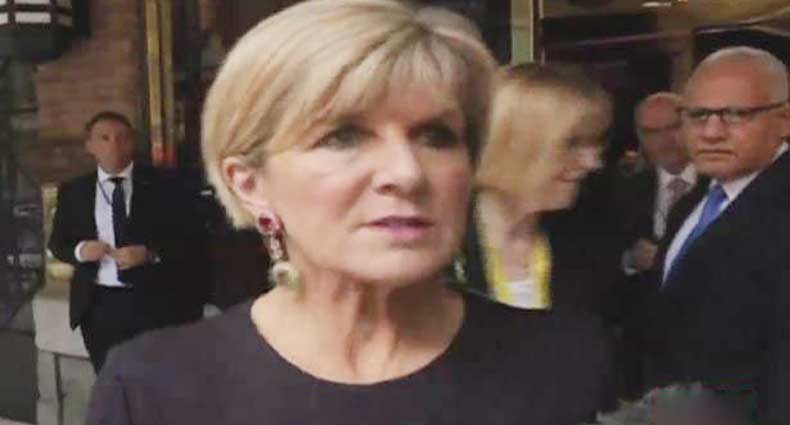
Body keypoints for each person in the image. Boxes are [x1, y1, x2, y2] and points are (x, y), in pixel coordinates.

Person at [86, 2, 613, 424]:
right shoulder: (152, 389)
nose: (406, 172)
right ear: (250, 184)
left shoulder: (563, 361)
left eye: (436, 136)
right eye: (343, 137)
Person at [637, 46, 790, 425]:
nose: (712, 132)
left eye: (736, 115)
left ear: (784, 120)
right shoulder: (692, 204)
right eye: (698, 115)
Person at [48, 111, 204, 372]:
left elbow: (191, 237)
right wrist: (81, 250)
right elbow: (58, 242)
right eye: (104, 138)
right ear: (90, 146)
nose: (114, 145)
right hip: (99, 306)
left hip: (155, 303)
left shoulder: (166, 185)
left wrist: (150, 253)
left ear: (132, 143)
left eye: (122, 138)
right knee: (110, 380)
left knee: (158, 379)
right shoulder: (74, 191)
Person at [461, 62, 618, 321]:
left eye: (595, 143)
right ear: (509, 144)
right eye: (572, 144)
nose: (593, 162)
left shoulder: (590, 241)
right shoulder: (438, 249)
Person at [618, 92, 699, 275]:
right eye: (652, 132)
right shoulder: (622, 189)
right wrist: (630, 260)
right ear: (640, 137)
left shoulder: (721, 182)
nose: (665, 140)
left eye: (674, 127)